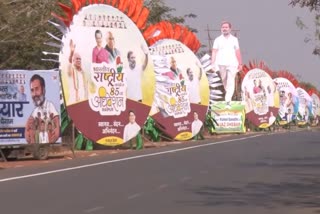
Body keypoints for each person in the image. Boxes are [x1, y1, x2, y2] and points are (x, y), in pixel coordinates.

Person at [211, 21, 242, 108]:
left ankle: (227, 100)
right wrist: (212, 63)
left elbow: (237, 51)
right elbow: (214, 51)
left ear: (230, 29)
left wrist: (240, 63)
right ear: (221, 29)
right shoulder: (217, 39)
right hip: (221, 63)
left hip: (232, 63)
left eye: (226, 27)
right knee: (224, 80)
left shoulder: (234, 39)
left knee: (230, 81)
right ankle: (228, 96)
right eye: (223, 27)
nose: (224, 29)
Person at [25, 74, 60, 144]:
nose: (34, 94)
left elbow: (56, 119)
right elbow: (28, 123)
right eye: (32, 90)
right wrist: (26, 131)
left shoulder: (50, 105)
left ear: (43, 90)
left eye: (37, 89)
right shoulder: (35, 111)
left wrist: (57, 129)